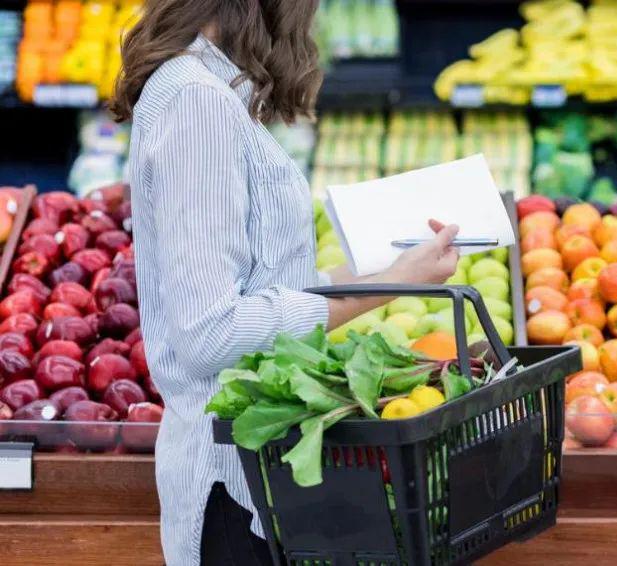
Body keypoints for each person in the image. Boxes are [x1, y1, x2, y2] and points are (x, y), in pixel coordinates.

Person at [110, 2, 459, 564]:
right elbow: (211, 332)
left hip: (263, 477)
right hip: (232, 489)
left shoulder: (208, 91)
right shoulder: (196, 103)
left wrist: (395, 272)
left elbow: (269, 286)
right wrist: (384, 287)